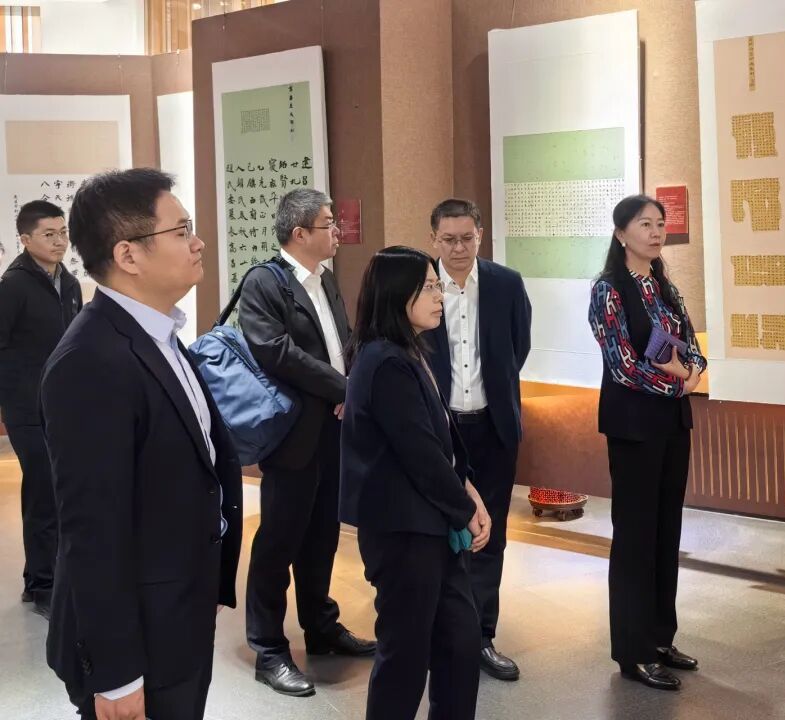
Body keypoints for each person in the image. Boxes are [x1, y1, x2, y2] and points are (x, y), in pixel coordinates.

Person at [39, 168, 243, 719]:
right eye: (181, 231)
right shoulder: (90, 360)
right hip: (138, 639)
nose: (198, 243)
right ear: (128, 255)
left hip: (177, 609)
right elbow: (92, 530)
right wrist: (117, 674)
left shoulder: (157, 335)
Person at [340, 245, 491, 720]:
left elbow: (439, 439)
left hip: (431, 522)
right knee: (405, 655)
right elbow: (419, 453)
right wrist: (465, 508)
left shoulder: (408, 351)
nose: (439, 295)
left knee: (459, 642)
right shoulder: (384, 361)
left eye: (436, 285)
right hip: (403, 529)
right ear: (396, 294)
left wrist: (468, 489)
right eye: (428, 287)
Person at [238, 188, 375, 697]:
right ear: (299, 233)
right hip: (293, 433)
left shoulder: (326, 278)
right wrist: (342, 388)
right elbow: (275, 351)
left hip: (333, 428)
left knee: (322, 534)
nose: (337, 231)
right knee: (279, 539)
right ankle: (268, 648)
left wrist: (351, 385)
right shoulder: (264, 282)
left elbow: (344, 340)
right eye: (327, 223)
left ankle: (320, 626)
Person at [587, 194, 706, 692]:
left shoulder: (664, 285)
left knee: (665, 530)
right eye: (645, 225)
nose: (656, 233)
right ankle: (633, 651)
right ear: (621, 234)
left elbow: (692, 347)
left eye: (660, 224)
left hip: (672, 424)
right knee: (635, 536)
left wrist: (693, 371)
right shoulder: (608, 290)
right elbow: (622, 365)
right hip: (633, 425)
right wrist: (678, 384)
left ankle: (660, 638)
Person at [424, 198, 531, 680]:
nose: (459, 247)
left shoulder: (505, 283)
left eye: (467, 238)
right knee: (441, 532)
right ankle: (440, 632)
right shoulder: (421, 286)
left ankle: (481, 636)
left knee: (492, 534)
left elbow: (517, 347)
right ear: (433, 239)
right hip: (439, 428)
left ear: (480, 236)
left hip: (493, 427)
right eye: (448, 239)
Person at [0, 200, 81, 620]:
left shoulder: (70, 283)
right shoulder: (12, 286)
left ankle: (41, 578)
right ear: (25, 239)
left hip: (63, 406)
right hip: (26, 408)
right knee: (44, 489)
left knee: (54, 490)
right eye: (49, 234)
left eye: (63, 232)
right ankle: (43, 585)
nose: (59, 241)